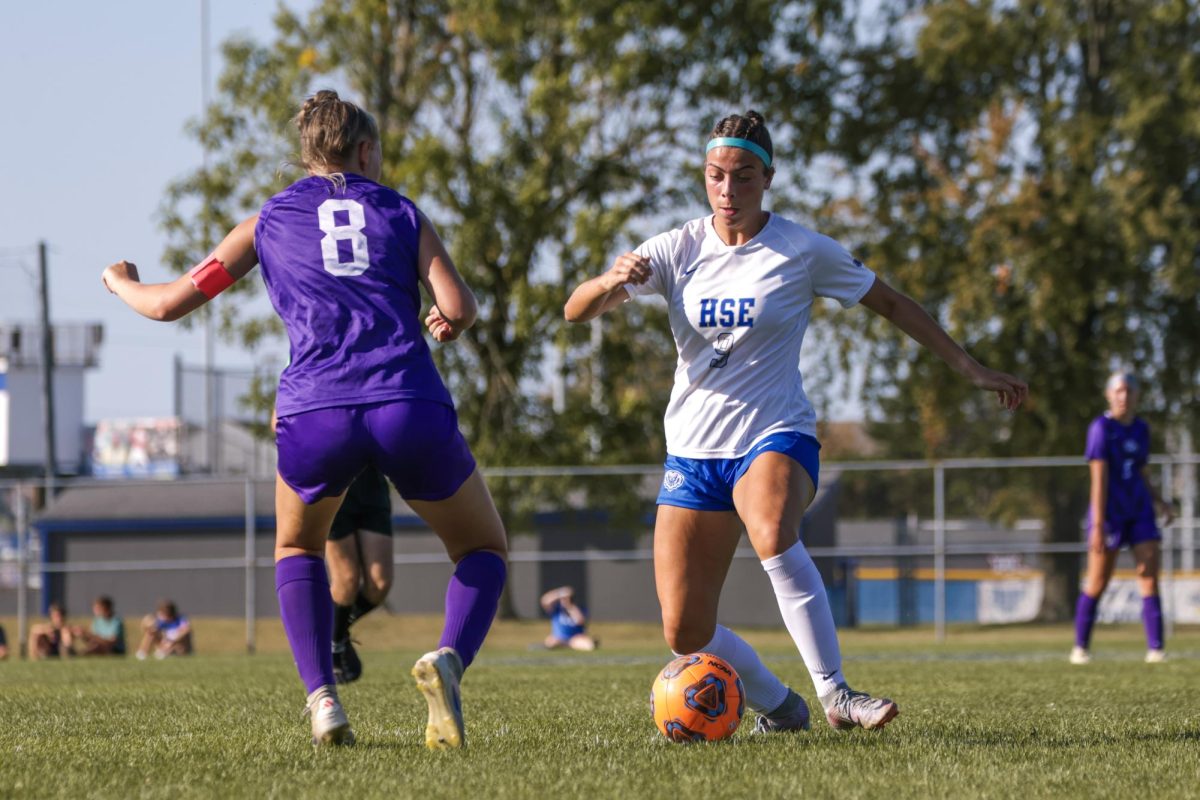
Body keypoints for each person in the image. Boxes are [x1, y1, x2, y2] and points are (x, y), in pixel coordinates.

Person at [565, 110, 1028, 734]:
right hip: (693, 454)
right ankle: (783, 708)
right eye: (716, 176)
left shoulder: (801, 249)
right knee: (684, 632)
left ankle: (837, 694)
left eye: (744, 177)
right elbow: (576, 311)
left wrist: (970, 368)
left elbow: (891, 302)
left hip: (774, 433)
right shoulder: (674, 249)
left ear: (768, 179)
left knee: (770, 530)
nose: (728, 191)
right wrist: (612, 278)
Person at [101, 89, 508, 749]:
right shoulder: (402, 212)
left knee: (298, 546)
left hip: (316, 410)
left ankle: (323, 700)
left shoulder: (265, 221)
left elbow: (169, 305)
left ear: (306, 152)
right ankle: (449, 661)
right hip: (407, 402)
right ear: (366, 150)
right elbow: (459, 305)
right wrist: (445, 321)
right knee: (482, 549)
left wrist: (119, 280)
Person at [1071, 372, 1174, 665]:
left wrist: (1160, 502)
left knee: (1149, 578)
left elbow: (1141, 471)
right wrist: (1098, 525)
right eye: (1118, 391)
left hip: (1140, 511)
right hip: (1111, 514)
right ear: (1109, 395)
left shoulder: (1141, 429)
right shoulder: (1101, 428)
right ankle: (1081, 648)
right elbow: (1098, 479)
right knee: (1097, 581)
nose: (1124, 396)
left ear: (1137, 395)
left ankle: (1156, 649)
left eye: (1129, 391)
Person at [327, 464, 395, 683]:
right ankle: (334, 650)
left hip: (371, 486)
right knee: (347, 580)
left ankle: (334, 630)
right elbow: (276, 427)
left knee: (380, 583)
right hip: (334, 483)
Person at [540, 586, 597, 651]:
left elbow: (580, 621)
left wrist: (569, 607)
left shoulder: (580, 609)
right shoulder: (557, 609)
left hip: (575, 638)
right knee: (551, 642)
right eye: (563, 599)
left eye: (567, 598)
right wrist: (560, 592)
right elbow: (545, 601)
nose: (564, 600)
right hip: (559, 638)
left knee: (588, 646)